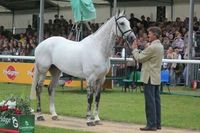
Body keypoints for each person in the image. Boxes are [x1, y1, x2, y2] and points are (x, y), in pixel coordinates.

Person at [132, 26, 164, 131]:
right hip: (156, 77)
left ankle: (151, 125)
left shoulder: (152, 47)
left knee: (150, 102)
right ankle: (157, 123)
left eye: (149, 33)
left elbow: (140, 58)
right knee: (156, 101)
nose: (148, 35)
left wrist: (134, 49)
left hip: (149, 77)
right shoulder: (160, 46)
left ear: (155, 35)